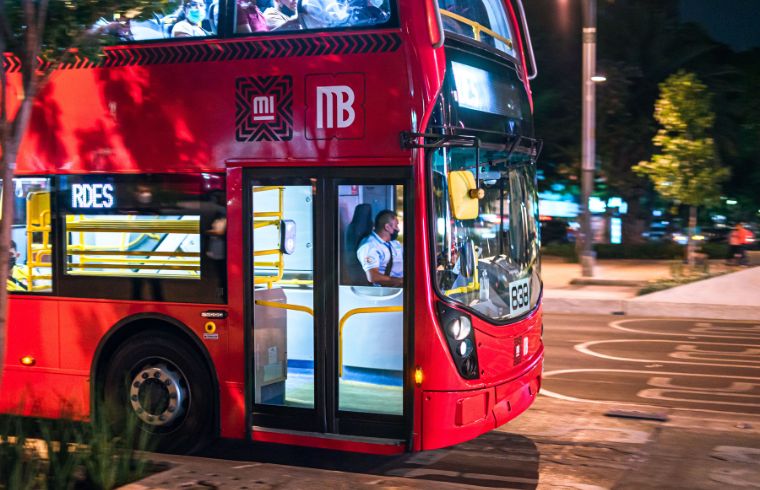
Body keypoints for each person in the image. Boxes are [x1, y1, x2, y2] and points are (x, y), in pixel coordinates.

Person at [356, 210, 403, 287]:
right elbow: (373, 277)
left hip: (400, 286)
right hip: (388, 290)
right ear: (387, 227)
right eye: (396, 226)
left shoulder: (393, 243)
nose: (398, 229)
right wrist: (402, 281)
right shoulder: (369, 246)